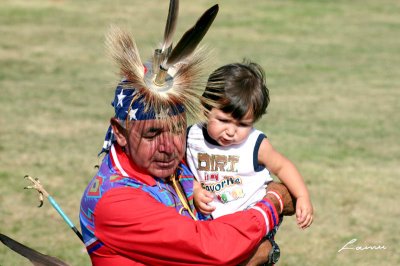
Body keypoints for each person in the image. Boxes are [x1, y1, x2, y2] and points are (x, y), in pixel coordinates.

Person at [185, 61, 314, 263]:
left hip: (253, 223)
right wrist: (193, 187)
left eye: (243, 124)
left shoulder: (254, 143)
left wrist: (303, 196)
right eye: (223, 120)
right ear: (205, 108)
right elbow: (179, 171)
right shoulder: (191, 138)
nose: (231, 131)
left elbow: (282, 166)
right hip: (212, 226)